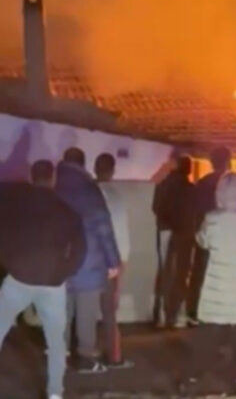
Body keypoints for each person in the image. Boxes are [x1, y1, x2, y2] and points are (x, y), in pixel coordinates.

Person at [0, 160, 87, 399]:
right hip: (52, 283)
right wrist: (63, 272)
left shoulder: (17, 208)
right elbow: (80, 250)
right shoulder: (67, 211)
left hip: (20, 278)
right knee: (56, 341)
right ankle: (55, 392)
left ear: (32, 176)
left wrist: (11, 264)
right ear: (53, 179)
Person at [180, 173, 236, 395]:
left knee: (208, 332)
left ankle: (192, 376)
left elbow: (202, 241)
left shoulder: (211, 219)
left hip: (216, 287)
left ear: (219, 195)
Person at [56, 147, 122, 373]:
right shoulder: (89, 190)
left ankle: (59, 354)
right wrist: (113, 261)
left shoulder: (54, 188)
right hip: (89, 261)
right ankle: (84, 357)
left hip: (61, 261)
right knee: (86, 311)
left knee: (63, 310)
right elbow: (103, 228)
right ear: (84, 165)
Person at [94, 153, 134, 368]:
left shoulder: (90, 193)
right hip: (118, 256)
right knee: (110, 310)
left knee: (86, 307)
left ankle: (88, 352)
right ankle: (115, 355)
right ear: (112, 170)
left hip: (95, 256)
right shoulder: (118, 196)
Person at [188, 147, 232, 325]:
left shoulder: (202, 182)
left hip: (205, 234)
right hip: (227, 238)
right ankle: (222, 312)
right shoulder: (230, 182)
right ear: (228, 160)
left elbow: (194, 209)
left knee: (200, 273)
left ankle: (195, 312)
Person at [152, 155, 197, 328]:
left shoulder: (163, 186)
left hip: (165, 230)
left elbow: (155, 208)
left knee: (165, 271)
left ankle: (161, 315)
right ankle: (176, 314)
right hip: (185, 233)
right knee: (181, 273)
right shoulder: (191, 189)